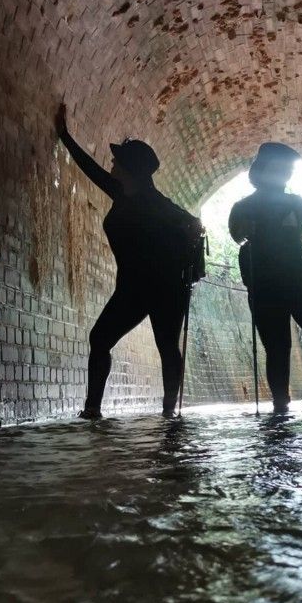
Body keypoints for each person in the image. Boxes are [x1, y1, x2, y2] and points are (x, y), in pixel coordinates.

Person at [54, 103, 203, 419]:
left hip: (166, 289)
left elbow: (190, 223)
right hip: (133, 288)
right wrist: (65, 137)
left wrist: (192, 232)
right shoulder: (123, 193)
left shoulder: (159, 205)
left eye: (117, 162)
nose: (111, 165)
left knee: (166, 346)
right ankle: (92, 409)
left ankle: (169, 411)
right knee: (100, 338)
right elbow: (91, 169)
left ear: (130, 169)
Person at [229, 143, 302, 413]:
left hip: (296, 280)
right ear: (264, 170)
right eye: (283, 167)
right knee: (279, 344)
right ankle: (283, 401)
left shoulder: (293, 203)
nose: (287, 173)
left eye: (288, 169)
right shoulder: (244, 207)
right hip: (270, 283)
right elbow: (237, 234)